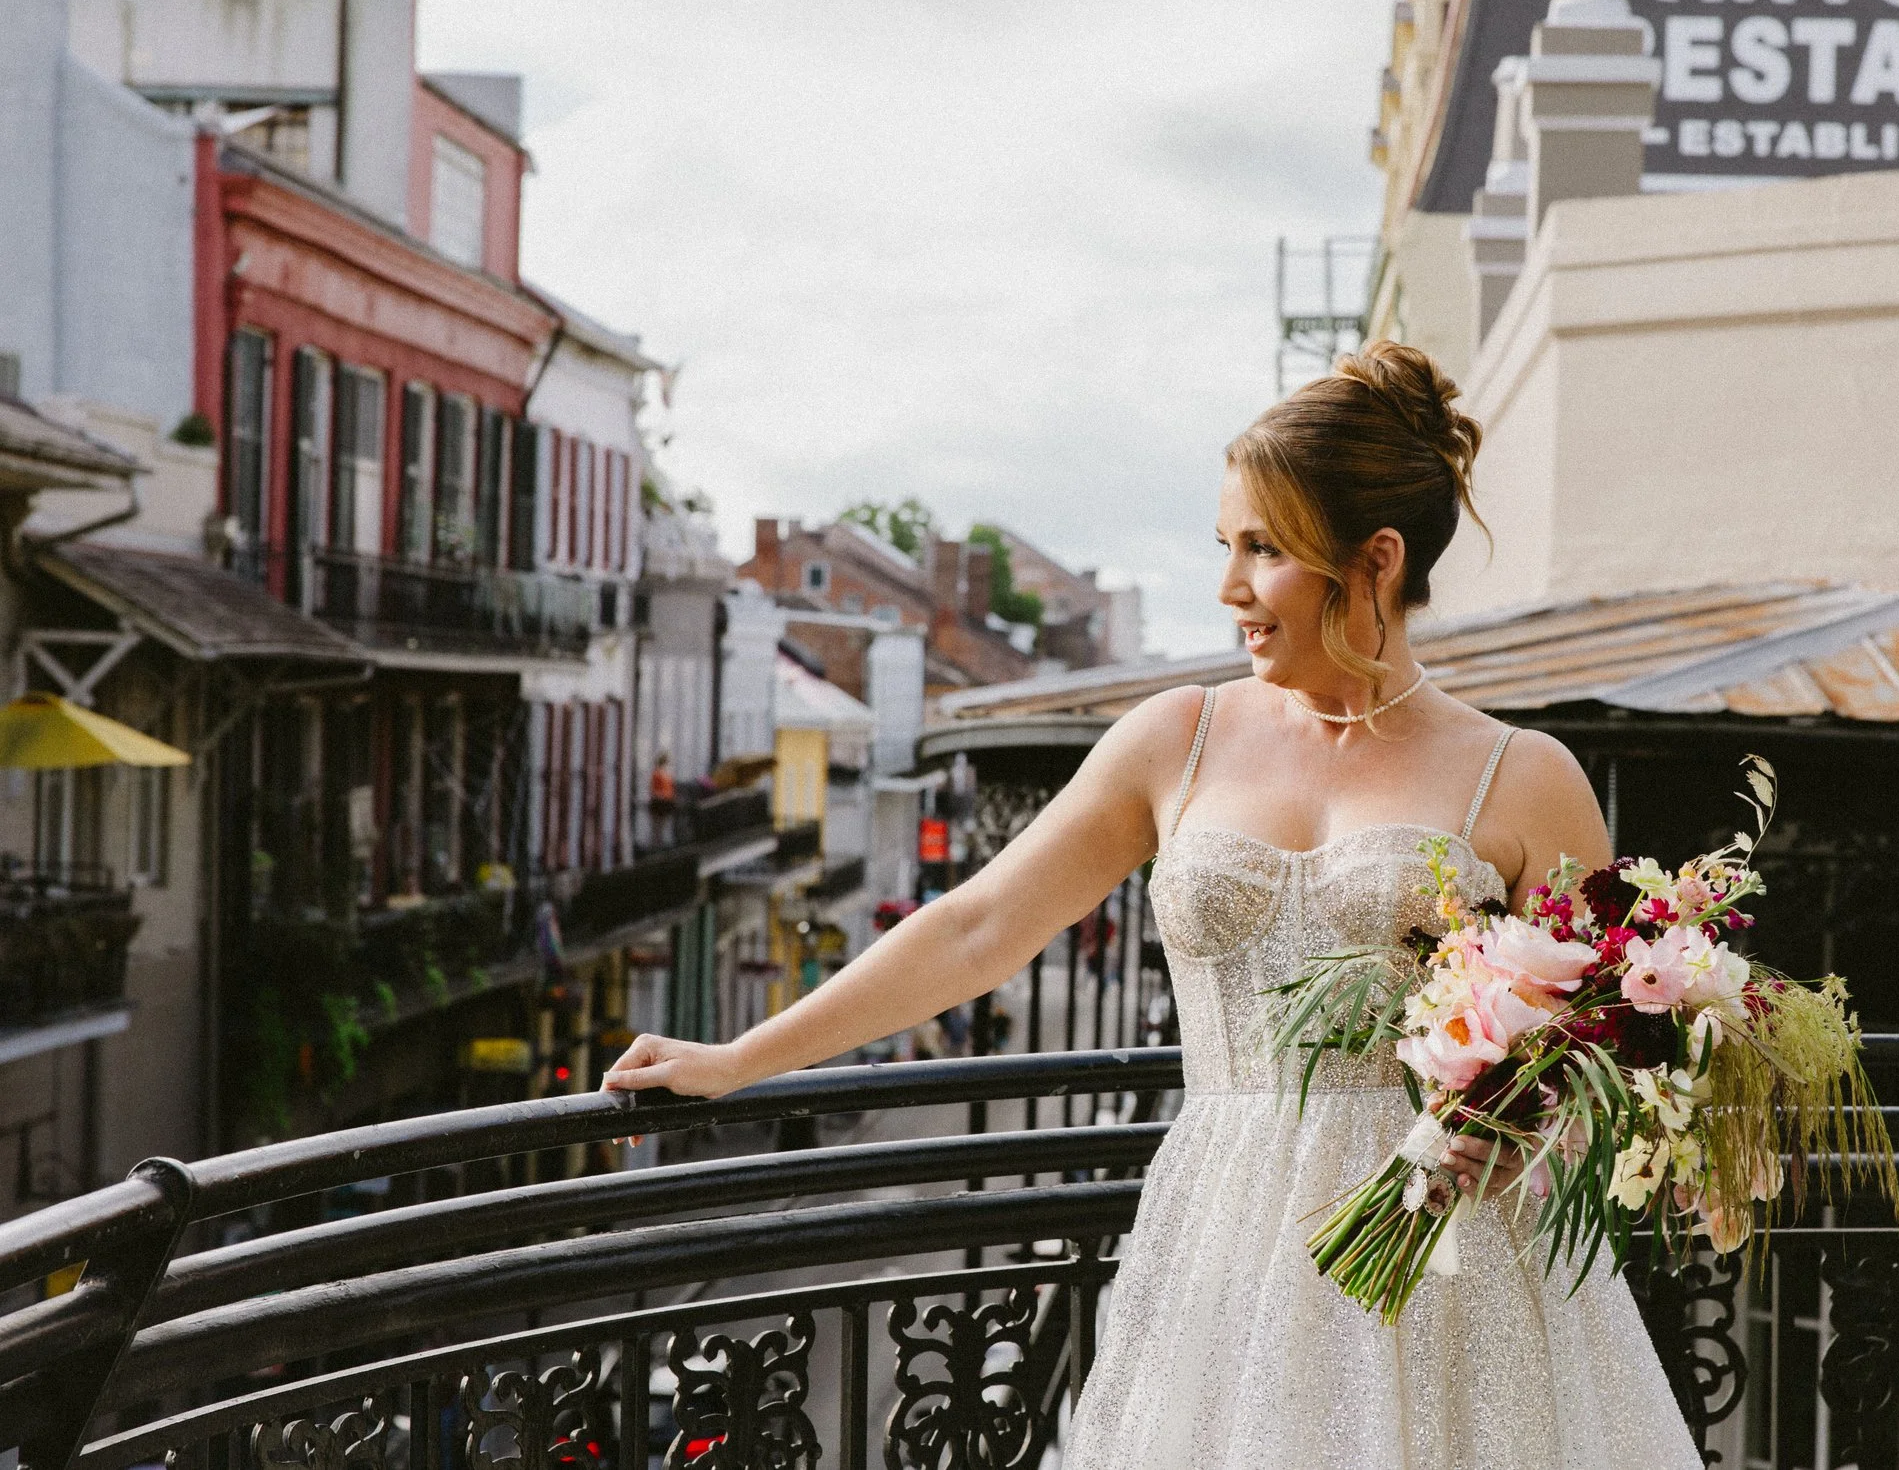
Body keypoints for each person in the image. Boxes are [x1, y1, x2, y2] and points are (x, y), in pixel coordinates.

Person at [604, 342, 1703, 1470]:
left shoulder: (1522, 774)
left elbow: (1612, 1065)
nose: (1228, 587)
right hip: (1220, 1247)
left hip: (1447, 1259)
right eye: (1224, 546)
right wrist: (741, 1058)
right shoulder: (1175, 737)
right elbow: (980, 925)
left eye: (1262, 550)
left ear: (1372, 560)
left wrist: (1516, 1133)